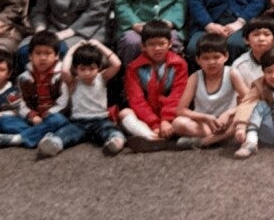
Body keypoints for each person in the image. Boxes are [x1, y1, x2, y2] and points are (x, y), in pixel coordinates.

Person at [35, 39, 124, 157]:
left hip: (100, 120)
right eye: (82, 69)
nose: (87, 73)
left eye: (91, 69)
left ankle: (116, 142)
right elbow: (64, 70)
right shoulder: (73, 82)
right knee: (65, 133)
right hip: (79, 122)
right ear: (76, 69)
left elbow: (117, 64)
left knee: (111, 130)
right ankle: (53, 144)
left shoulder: (102, 78)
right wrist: (73, 49)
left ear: (99, 67)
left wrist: (99, 45)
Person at [116, 21, 189, 151]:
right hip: (146, 116)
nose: (157, 48)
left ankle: (152, 138)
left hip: (172, 113)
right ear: (143, 46)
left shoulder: (179, 64)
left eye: (161, 44)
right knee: (124, 113)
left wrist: (166, 119)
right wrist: (154, 124)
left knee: (182, 121)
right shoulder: (133, 68)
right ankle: (153, 138)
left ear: (170, 44)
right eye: (151, 44)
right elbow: (137, 100)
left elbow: (178, 95)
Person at [166, 35, 243, 149]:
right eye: (206, 58)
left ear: (226, 56)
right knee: (178, 123)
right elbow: (181, 110)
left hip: (227, 122)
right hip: (205, 124)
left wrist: (228, 113)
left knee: (245, 119)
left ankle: (205, 142)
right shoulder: (195, 77)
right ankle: (220, 139)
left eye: (216, 57)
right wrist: (205, 117)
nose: (211, 62)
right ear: (198, 60)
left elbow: (249, 100)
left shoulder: (232, 73)